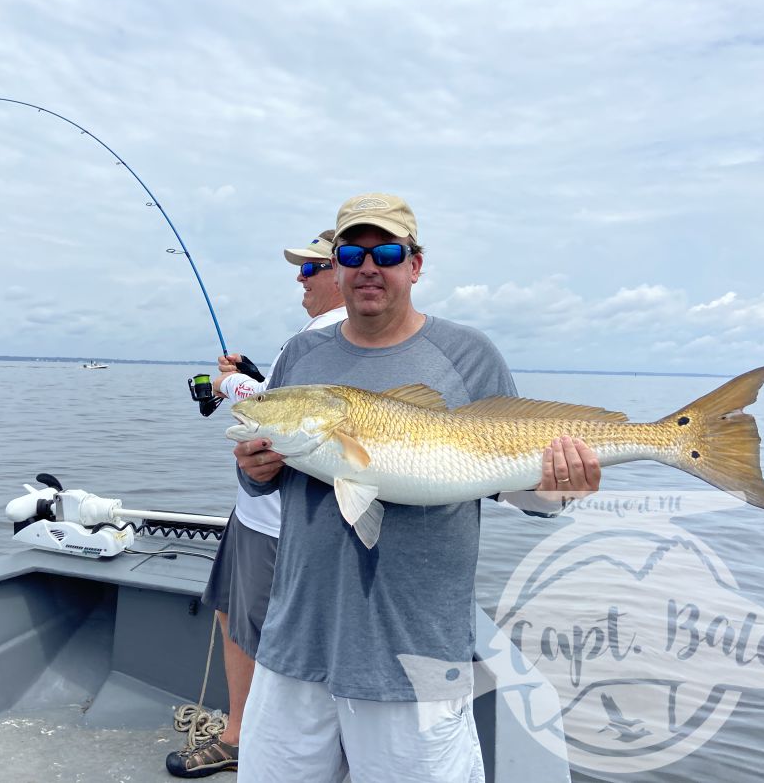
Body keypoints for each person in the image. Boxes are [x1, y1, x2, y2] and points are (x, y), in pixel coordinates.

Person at [231, 194, 601, 783]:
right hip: (297, 638)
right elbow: (265, 478)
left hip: (414, 650)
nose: (368, 267)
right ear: (338, 266)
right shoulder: (301, 354)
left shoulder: (468, 356)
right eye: (351, 253)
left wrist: (561, 489)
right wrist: (254, 472)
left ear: (415, 264)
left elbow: (522, 493)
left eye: (388, 252)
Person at [165, 230, 348, 778]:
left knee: (251, 628)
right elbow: (299, 400)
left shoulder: (324, 336)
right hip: (258, 514)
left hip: (275, 525)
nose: (301, 277)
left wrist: (229, 385)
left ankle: (242, 738)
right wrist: (254, 372)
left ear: (340, 273)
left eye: (312, 268)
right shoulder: (322, 340)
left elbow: (277, 402)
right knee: (233, 615)